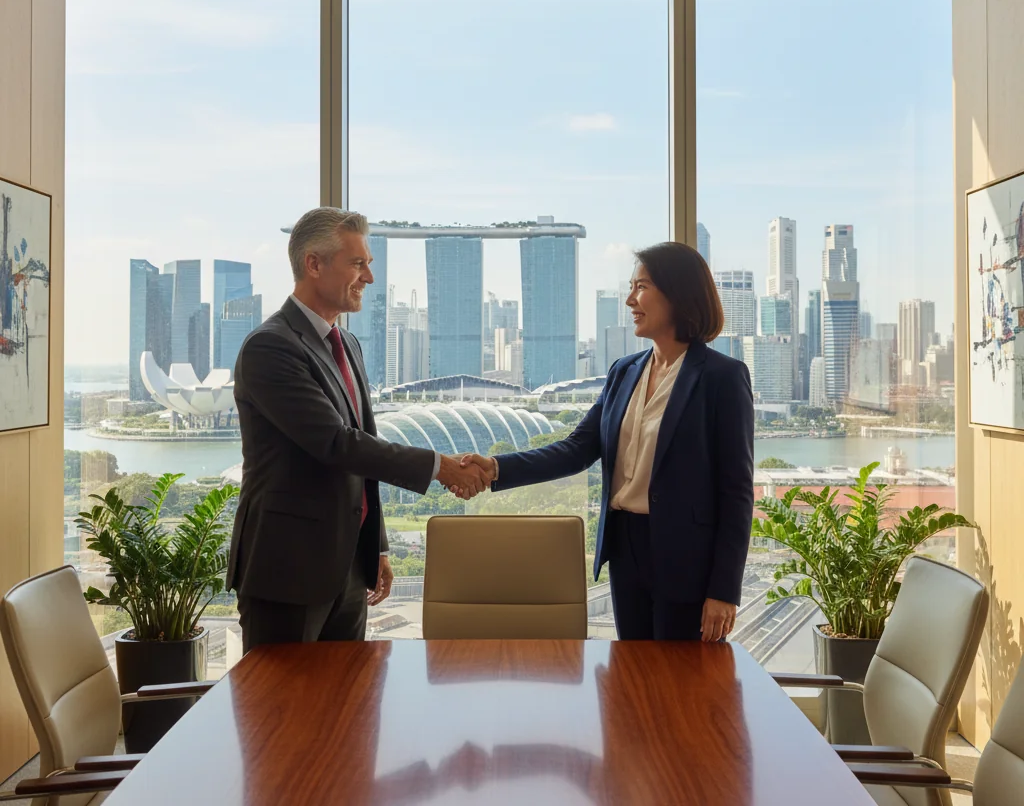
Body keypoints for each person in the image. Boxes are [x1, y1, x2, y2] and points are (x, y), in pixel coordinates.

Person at [227, 207, 493, 651]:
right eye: (358, 263)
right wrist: (440, 466)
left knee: (345, 706)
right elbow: (337, 444)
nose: (369, 276)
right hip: (287, 571)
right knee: (283, 713)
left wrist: (378, 546)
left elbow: (362, 445)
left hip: (348, 568)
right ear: (314, 264)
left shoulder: (345, 343)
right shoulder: (270, 347)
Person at [460, 242, 754, 641]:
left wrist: (724, 590)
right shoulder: (625, 371)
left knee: (681, 686)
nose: (631, 299)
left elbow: (736, 491)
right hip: (626, 549)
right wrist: (496, 468)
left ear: (678, 293)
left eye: (642, 286)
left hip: (688, 559)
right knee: (631, 677)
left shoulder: (722, 377)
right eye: (631, 287)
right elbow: (577, 448)